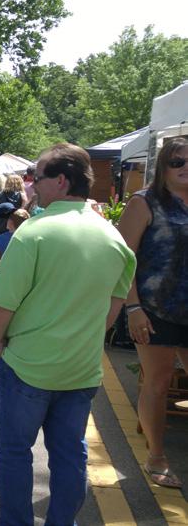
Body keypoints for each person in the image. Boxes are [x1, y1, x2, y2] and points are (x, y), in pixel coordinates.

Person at [0, 143, 136, 524]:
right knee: (70, 454)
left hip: (27, 365)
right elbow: (112, 308)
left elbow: (2, 304)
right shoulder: (113, 238)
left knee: (14, 453)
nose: (32, 185)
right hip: (80, 369)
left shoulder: (33, 233)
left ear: (61, 181)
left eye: (37, 178)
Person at [116, 136, 188, 489]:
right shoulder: (144, 202)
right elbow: (123, 259)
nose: (185, 167)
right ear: (163, 166)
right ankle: (156, 457)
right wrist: (133, 308)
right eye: (177, 161)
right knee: (158, 383)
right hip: (155, 309)